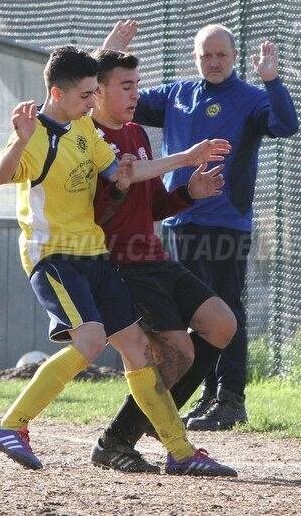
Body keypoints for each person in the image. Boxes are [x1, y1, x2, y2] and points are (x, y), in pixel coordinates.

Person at [0, 45, 236, 476]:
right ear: (57, 93)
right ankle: (12, 425)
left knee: (138, 350)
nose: (91, 102)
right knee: (91, 340)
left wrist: (182, 159)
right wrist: (21, 140)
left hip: (94, 255)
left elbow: (127, 173)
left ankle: (179, 451)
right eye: (86, 94)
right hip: (55, 256)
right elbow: (3, 176)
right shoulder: (34, 131)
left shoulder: (85, 130)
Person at [103, 21, 299, 430]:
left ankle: (231, 398)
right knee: (193, 315)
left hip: (226, 224)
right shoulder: (179, 94)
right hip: (179, 220)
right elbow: (110, 100)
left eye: (221, 55)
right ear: (196, 58)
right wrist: (107, 52)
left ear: (234, 56)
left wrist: (273, 80)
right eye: (205, 55)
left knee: (227, 309)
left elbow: (285, 125)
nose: (213, 62)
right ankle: (207, 396)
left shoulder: (249, 98)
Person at [88, 49, 238, 473]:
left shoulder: (136, 132)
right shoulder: (89, 139)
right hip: (120, 265)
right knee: (178, 351)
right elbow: (107, 203)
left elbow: (152, 207)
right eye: (126, 86)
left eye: (138, 85)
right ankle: (116, 441)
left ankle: (159, 417)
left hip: (154, 258)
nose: (136, 94)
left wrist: (190, 192)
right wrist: (183, 159)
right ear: (97, 91)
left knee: (222, 324)